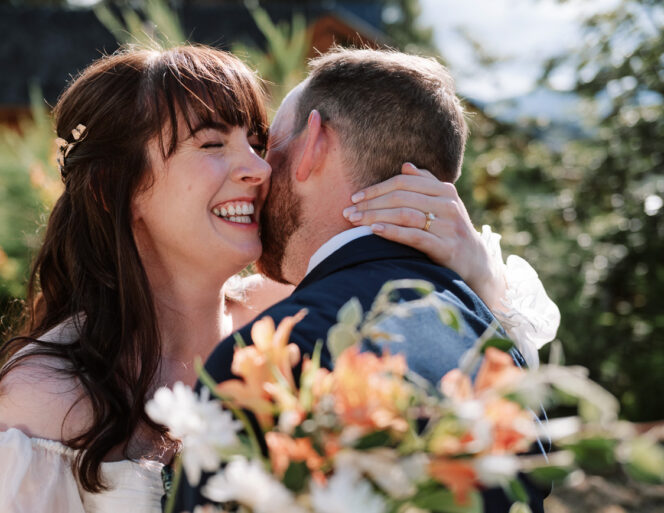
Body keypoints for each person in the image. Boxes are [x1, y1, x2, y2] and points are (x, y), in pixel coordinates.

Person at [0, 45, 556, 513]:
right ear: (116, 188)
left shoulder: (300, 313)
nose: (259, 168)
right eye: (212, 143)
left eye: (259, 140)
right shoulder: (40, 400)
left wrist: (478, 276)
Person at [181, 47, 554, 512]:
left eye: (270, 147)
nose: (258, 173)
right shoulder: (501, 353)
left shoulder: (268, 362)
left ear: (314, 143)